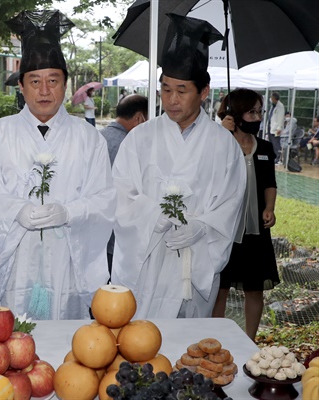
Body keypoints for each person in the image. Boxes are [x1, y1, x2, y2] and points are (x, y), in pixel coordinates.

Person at [0, 10, 116, 320]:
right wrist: (15, 210)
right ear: (21, 86)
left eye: (53, 81)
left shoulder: (89, 138)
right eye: (35, 81)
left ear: (65, 84)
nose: (44, 90)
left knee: (68, 346)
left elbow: (104, 200)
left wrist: (69, 212)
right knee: (12, 345)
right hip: (14, 259)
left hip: (67, 261)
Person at [110, 14, 246, 319]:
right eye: (165, 89)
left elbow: (230, 203)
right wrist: (150, 217)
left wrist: (202, 227)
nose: (171, 100)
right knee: (139, 344)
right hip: (146, 264)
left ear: (204, 92)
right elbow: (119, 193)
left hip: (194, 264)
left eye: (182, 90)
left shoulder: (224, 146)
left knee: (188, 350)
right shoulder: (140, 138)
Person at [211, 89, 279, 341]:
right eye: (251, 111)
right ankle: (214, 339)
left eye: (259, 111)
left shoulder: (265, 148)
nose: (257, 117)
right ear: (235, 113)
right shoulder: (221, 143)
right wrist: (222, 134)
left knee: (255, 289)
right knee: (220, 289)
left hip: (256, 231)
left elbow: (270, 183)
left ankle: (249, 340)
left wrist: (269, 208)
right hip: (226, 230)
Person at [99, 94, 148, 272]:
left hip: (96, 234)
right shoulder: (129, 145)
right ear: (139, 118)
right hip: (117, 237)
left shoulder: (98, 137)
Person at [267, 92, 285, 163]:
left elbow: (280, 118)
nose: (271, 99)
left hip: (276, 128)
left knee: (276, 143)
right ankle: (272, 156)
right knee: (271, 143)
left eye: (272, 98)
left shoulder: (280, 106)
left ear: (275, 98)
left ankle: (277, 158)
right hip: (270, 126)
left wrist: (279, 128)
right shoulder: (273, 105)